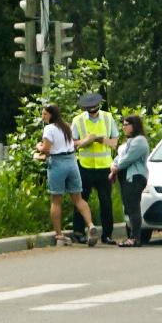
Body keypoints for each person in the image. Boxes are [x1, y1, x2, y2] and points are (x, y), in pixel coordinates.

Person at [38, 104, 97, 248]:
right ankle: (90, 225)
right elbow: (73, 144)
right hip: (72, 162)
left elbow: (46, 150)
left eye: (45, 114)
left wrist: (38, 147)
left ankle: (59, 235)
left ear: (51, 115)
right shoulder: (66, 126)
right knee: (78, 198)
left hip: (57, 163)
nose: (43, 117)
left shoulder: (49, 129)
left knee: (56, 200)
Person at [69, 92, 119, 244]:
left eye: (95, 108)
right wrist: (85, 141)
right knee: (81, 200)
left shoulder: (108, 118)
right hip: (85, 166)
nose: (93, 111)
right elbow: (72, 143)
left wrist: (101, 139)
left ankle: (107, 234)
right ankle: (79, 232)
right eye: (90, 109)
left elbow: (114, 142)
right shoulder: (78, 120)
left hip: (104, 167)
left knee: (106, 202)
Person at [109, 115, 151, 247]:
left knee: (133, 208)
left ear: (135, 126)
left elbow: (128, 159)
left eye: (127, 124)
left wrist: (115, 168)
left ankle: (135, 237)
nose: (124, 127)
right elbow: (119, 157)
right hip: (125, 177)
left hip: (134, 177)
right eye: (123, 124)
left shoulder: (140, 141)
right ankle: (131, 236)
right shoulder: (128, 142)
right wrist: (113, 165)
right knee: (128, 207)